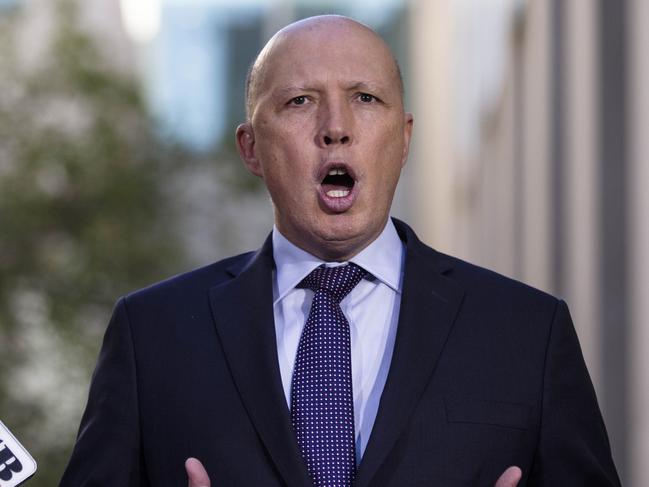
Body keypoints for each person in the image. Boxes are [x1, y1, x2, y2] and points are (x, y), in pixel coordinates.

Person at [60, 15, 620, 487]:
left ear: (403, 139)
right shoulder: (152, 334)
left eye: (364, 98)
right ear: (251, 147)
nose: (335, 128)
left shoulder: (528, 332)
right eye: (300, 101)